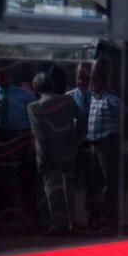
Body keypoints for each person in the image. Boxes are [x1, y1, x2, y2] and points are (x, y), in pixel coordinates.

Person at [28, 68, 82, 233]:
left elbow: (40, 134)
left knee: (53, 190)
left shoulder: (34, 107)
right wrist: (78, 139)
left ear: (36, 89)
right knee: (69, 189)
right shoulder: (68, 100)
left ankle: (60, 224)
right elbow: (82, 118)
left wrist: (43, 157)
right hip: (69, 150)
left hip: (49, 153)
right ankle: (73, 221)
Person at [86, 57, 121, 230]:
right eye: (93, 75)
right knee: (96, 183)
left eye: (97, 76)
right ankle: (96, 217)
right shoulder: (92, 98)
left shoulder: (111, 100)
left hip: (107, 144)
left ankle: (109, 219)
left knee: (109, 183)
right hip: (93, 145)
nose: (93, 79)